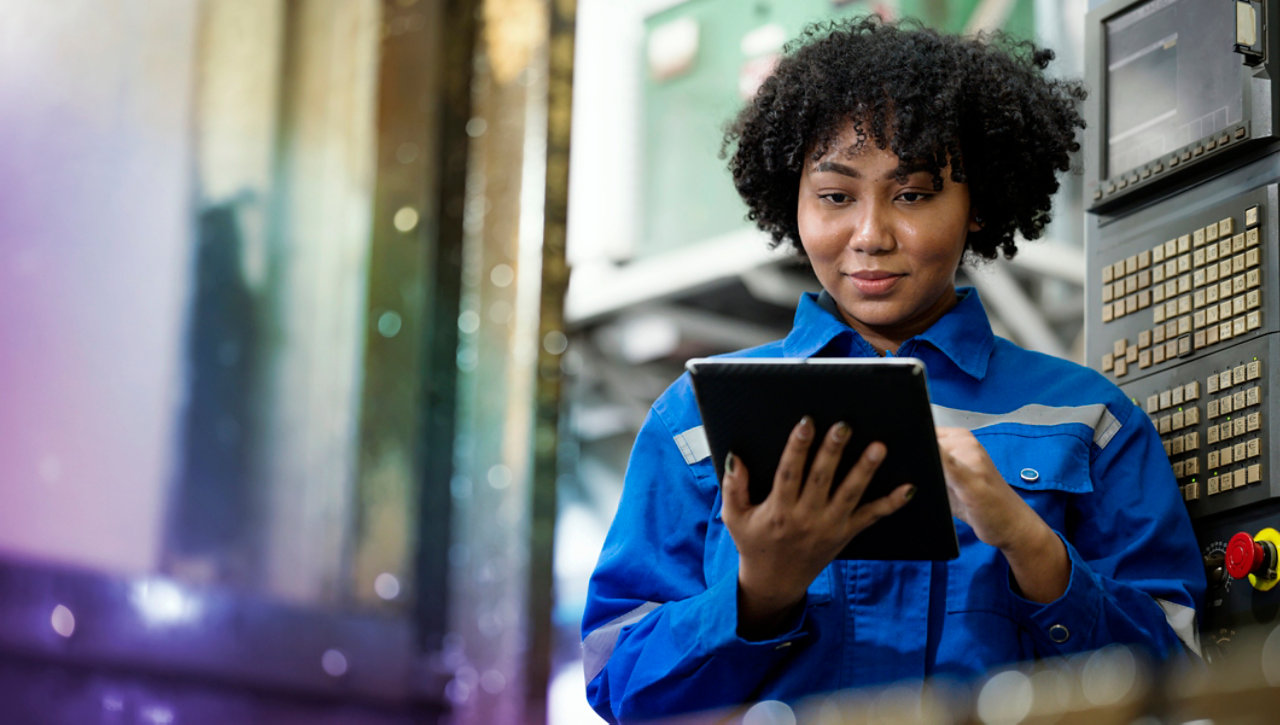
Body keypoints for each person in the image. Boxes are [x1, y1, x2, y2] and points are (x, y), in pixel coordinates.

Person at [581, 16, 1206, 723]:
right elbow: (619, 683)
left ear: (976, 205)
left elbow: (1181, 682)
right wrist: (759, 590)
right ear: (792, 198)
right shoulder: (695, 418)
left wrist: (1031, 546)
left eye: (912, 194)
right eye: (835, 196)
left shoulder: (1089, 420)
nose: (871, 235)